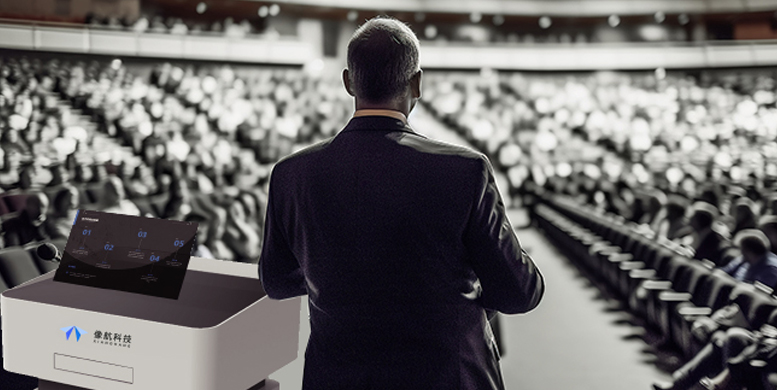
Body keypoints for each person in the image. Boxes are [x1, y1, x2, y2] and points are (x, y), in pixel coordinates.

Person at [259, 17, 544, 390]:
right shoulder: (465, 170)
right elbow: (519, 292)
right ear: (416, 83)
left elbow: (277, 282)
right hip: (447, 377)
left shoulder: (292, 174)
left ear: (349, 82)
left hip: (339, 378)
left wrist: (342, 277)